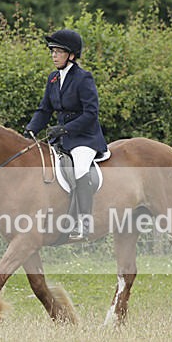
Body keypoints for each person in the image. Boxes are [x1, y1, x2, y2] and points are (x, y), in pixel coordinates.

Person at [26, 29, 108, 241]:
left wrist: (65, 128)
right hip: (61, 139)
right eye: (52, 51)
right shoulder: (53, 79)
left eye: (58, 51)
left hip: (84, 138)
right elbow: (44, 109)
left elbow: (91, 113)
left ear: (71, 55)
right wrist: (31, 130)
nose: (53, 55)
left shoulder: (83, 78)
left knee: (80, 168)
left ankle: (84, 223)